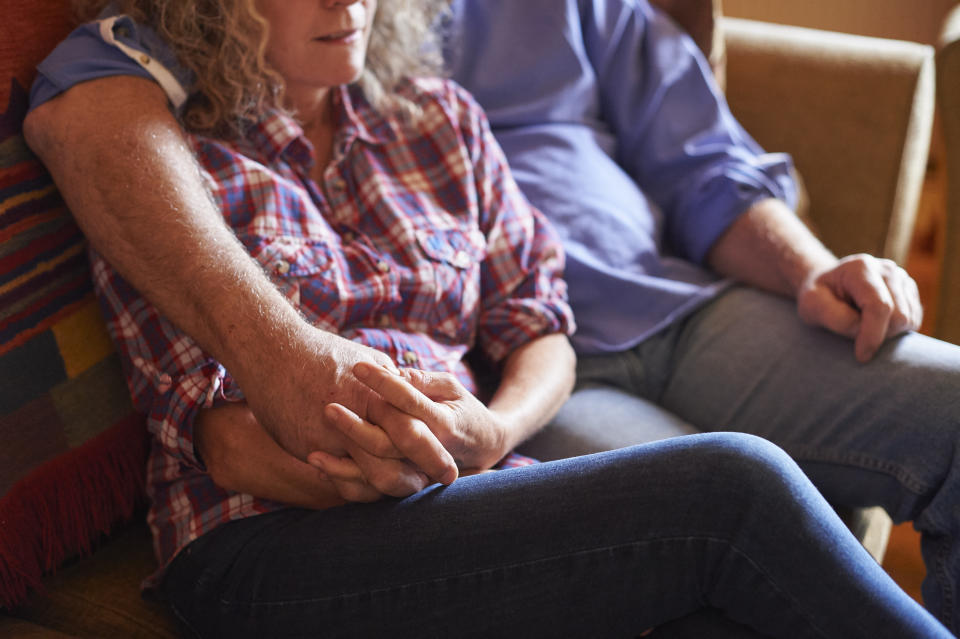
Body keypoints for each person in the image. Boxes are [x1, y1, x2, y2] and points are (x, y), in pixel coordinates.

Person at [22, 0, 960, 634]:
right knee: (733, 487)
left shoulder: (433, 114)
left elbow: (553, 301)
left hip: (520, 434)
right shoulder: (171, 149)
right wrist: (398, 456)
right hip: (285, 525)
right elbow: (221, 437)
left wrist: (486, 433)